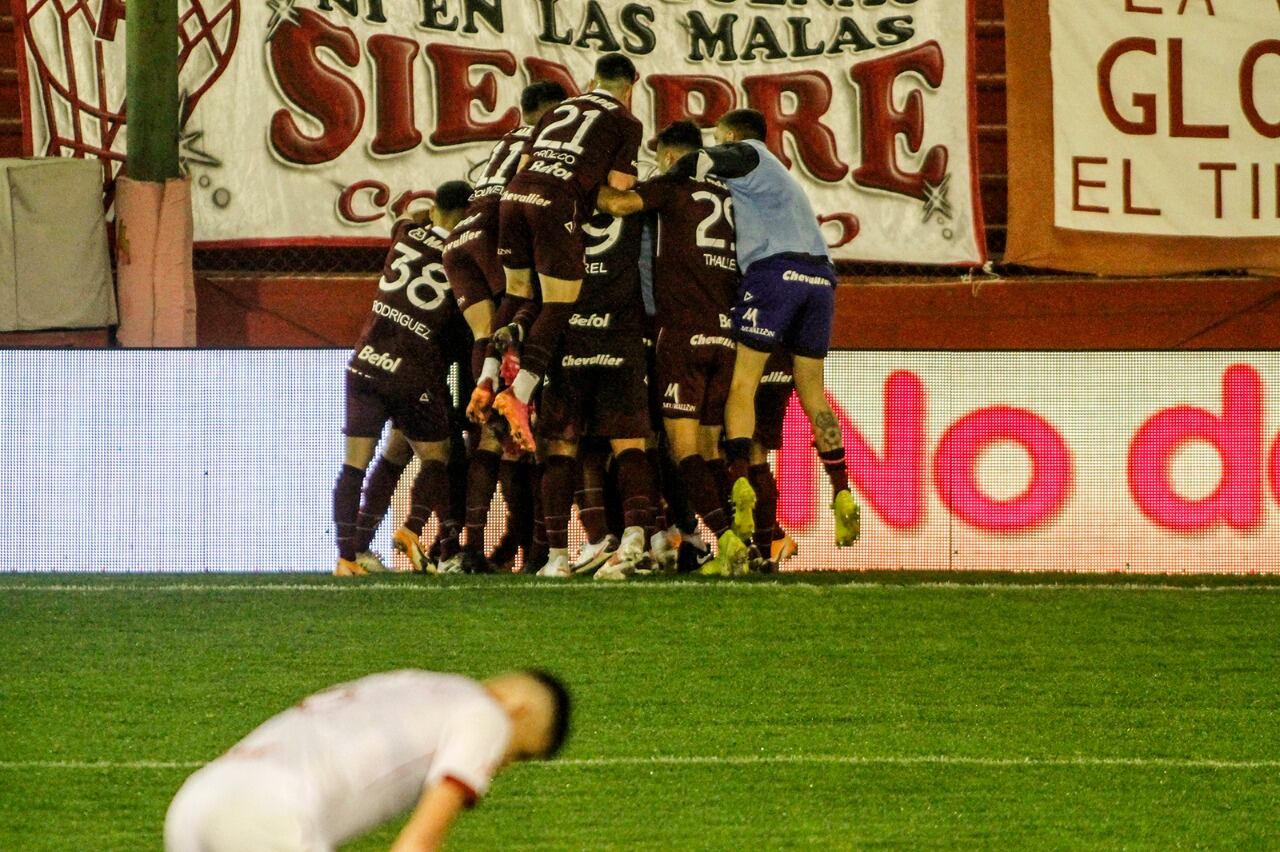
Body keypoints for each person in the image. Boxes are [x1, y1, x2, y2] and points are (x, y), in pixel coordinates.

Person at [665, 109, 861, 548]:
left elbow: (694, 164)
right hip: (821, 278)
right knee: (812, 390)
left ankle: (739, 485)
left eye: (719, 137)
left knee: (743, 385)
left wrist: (670, 177)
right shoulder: (783, 180)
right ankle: (842, 490)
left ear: (731, 135)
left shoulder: (748, 155)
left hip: (775, 272)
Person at [164, 669, 571, 852]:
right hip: (268, 811)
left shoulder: (419, 684)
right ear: (519, 711)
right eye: (517, 754)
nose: (500, 765)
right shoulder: (488, 717)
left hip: (197, 801)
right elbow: (418, 843)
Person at [596, 119, 748, 576]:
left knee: (684, 453)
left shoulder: (671, 183)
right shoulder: (729, 194)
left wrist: (583, 185)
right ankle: (751, 540)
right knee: (709, 448)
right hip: (726, 335)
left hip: (681, 333)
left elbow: (621, 204)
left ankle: (727, 541)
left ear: (666, 155)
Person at [476, 53, 644, 454]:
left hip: (514, 196)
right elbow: (617, 192)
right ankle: (519, 395)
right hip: (554, 203)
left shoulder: (562, 107)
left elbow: (528, 161)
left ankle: (485, 381)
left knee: (518, 290)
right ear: (630, 88)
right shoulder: (626, 121)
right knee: (559, 303)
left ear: (591, 81)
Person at [331, 181, 473, 577]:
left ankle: (348, 556)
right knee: (437, 458)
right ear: (465, 213)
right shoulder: (462, 255)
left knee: (360, 465)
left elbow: (407, 217)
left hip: (367, 361)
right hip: (412, 369)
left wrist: (428, 215)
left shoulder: (406, 233)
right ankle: (412, 530)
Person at [533, 210, 656, 580]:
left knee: (561, 447)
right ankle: (635, 539)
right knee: (629, 444)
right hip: (621, 336)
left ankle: (557, 557)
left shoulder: (558, 200)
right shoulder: (636, 206)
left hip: (568, 336)